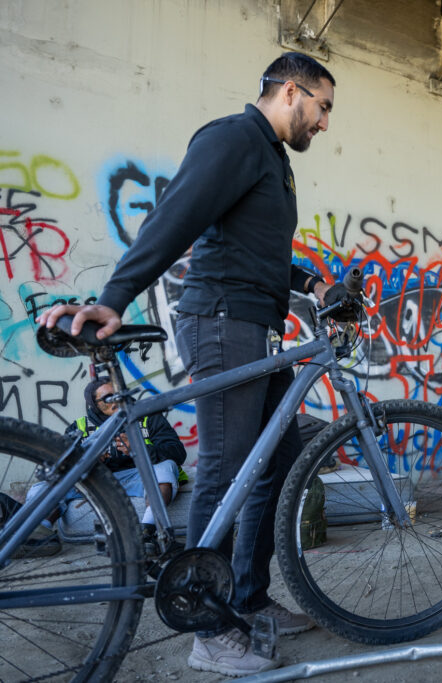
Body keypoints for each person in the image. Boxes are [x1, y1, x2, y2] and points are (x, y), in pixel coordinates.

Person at [38, 52, 336, 676]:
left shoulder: (270, 158)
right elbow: (176, 218)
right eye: (323, 107)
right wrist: (114, 299)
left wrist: (310, 279)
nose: (325, 124)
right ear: (290, 92)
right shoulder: (235, 138)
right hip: (224, 321)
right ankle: (206, 627)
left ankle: (245, 599)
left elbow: (253, 250)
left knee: (275, 459)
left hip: (254, 322)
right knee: (227, 471)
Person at [18, 378, 187, 558]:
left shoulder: (147, 417)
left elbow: (177, 452)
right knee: (43, 488)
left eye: (117, 394)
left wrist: (140, 450)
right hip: (95, 481)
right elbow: (61, 464)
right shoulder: (80, 428)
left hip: (137, 476)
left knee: (166, 468)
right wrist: (88, 461)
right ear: (95, 404)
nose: (115, 400)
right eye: (107, 398)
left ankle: (146, 534)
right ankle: (39, 535)